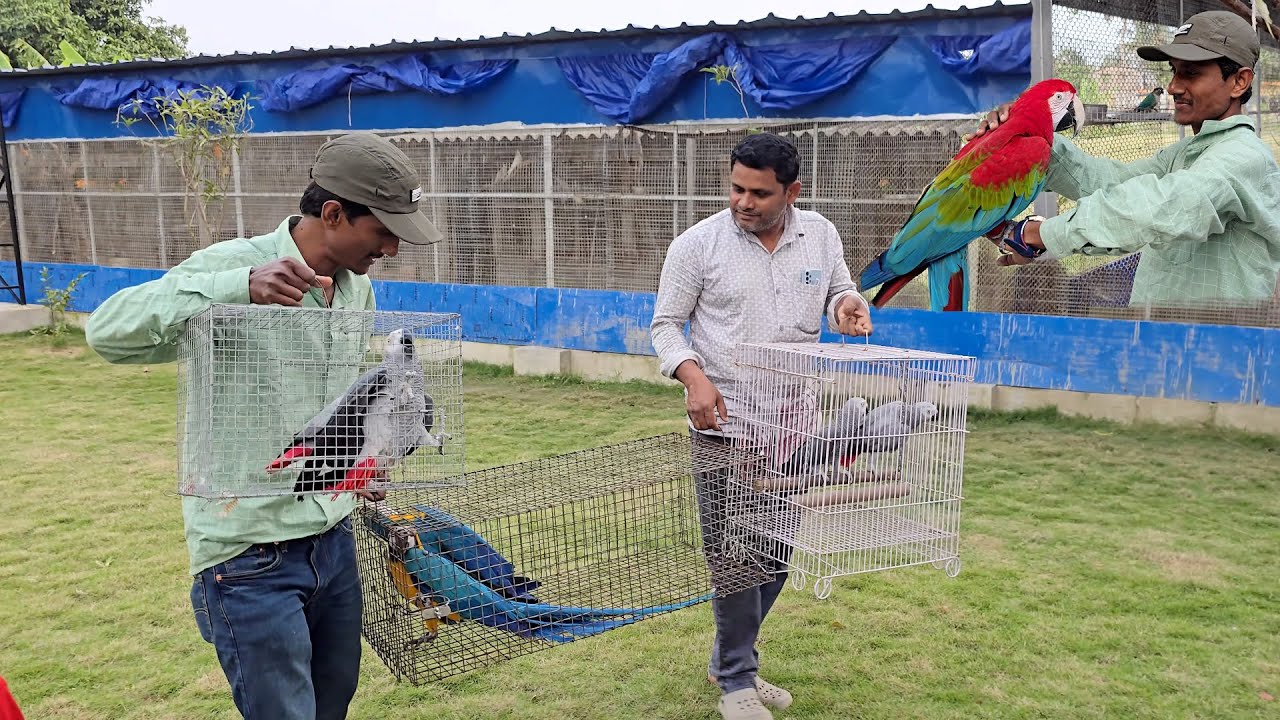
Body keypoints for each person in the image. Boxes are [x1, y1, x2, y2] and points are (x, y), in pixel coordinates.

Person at [85, 133, 442, 720]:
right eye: (382, 231)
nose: (393, 249)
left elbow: (335, 409)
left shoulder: (359, 290)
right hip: (248, 553)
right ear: (332, 214)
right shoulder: (228, 266)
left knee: (332, 703)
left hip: (332, 539)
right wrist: (235, 290)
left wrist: (359, 465)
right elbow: (106, 332)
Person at [650, 132, 872, 720]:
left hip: (794, 427)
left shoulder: (820, 234)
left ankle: (729, 655)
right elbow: (665, 326)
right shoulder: (696, 246)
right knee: (732, 554)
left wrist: (847, 305)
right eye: (736, 188)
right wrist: (694, 378)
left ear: (792, 192)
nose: (743, 202)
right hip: (726, 426)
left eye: (759, 193)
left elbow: (840, 291)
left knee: (776, 554)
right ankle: (738, 683)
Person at [972, 10, 1280, 309]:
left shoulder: (1243, 158)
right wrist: (1027, 138)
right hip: (1161, 343)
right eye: (1174, 70)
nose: (1173, 86)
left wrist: (1042, 233)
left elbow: (1157, 208)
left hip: (1224, 351)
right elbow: (1109, 183)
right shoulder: (1187, 154)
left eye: (1191, 72)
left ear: (1239, 81)